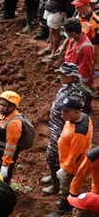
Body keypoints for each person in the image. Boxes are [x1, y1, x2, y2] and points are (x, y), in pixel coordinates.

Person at [42, 62, 90, 195]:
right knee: (55, 156)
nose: (61, 76)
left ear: (73, 76)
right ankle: (54, 178)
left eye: (64, 74)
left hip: (64, 129)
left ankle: (57, 185)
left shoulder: (77, 92)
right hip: (57, 126)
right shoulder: (68, 86)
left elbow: (73, 113)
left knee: (52, 156)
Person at [48, 96, 93, 217]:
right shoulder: (80, 117)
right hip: (65, 157)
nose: (63, 114)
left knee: (66, 186)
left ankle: (64, 207)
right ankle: (66, 201)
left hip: (72, 165)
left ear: (77, 111)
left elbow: (76, 155)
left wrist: (66, 169)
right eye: (63, 110)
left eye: (66, 111)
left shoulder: (80, 132)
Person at [0, 91, 22, 183]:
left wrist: (5, 165)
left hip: (2, 159)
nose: (1, 107)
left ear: (12, 107)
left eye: (4, 105)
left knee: (2, 182)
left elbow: (11, 146)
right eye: (0, 104)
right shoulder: (2, 116)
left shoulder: (14, 123)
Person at [63, 18, 95, 90]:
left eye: (66, 32)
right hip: (71, 77)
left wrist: (79, 86)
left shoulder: (85, 48)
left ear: (73, 33)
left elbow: (85, 70)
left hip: (79, 83)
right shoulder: (73, 40)